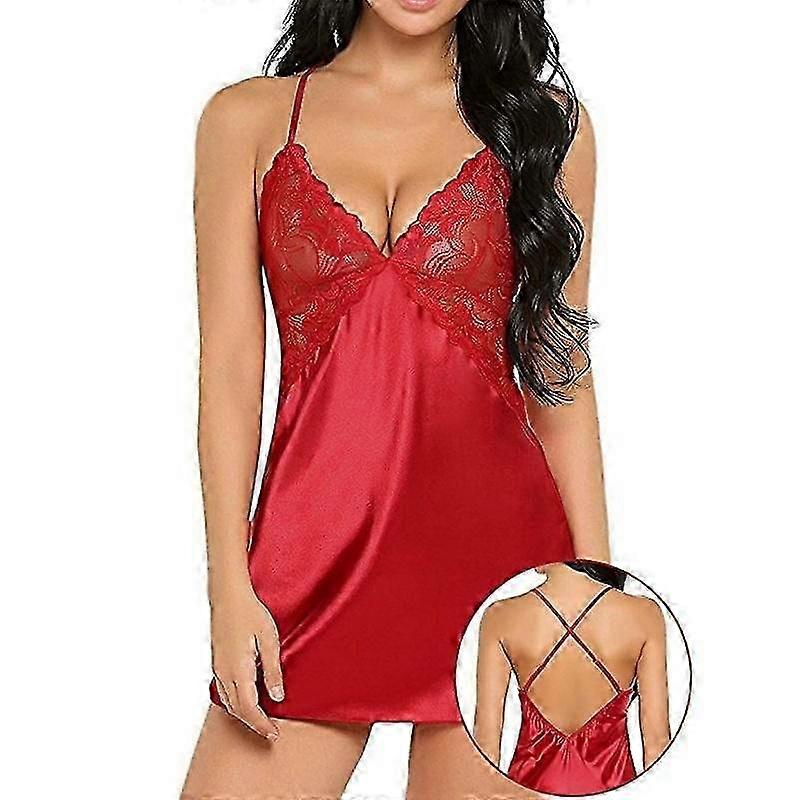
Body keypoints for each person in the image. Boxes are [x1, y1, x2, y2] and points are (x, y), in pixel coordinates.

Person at [182, 2, 606, 797]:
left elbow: (562, 381)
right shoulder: (248, 122)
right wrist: (228, 587)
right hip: (310, 569)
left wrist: (595, 591)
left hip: (506, 581)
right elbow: (232, 373)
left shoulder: (548, 129)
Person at [474, 562, 671, 794]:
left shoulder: (500, 616)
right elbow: (657, 743)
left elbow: (485, 746)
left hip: (530, 788)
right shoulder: (644, 614)